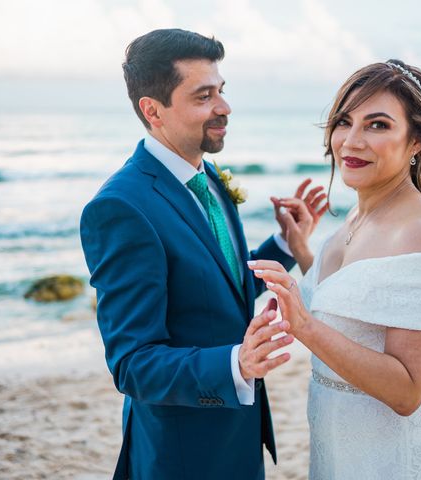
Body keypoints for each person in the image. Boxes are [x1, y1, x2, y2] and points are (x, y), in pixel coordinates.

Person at [79, 29, 326, 479]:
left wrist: (286, 245)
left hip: (237, 434)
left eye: (222, 91)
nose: (224, 108)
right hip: (183, 454)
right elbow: (133, 364)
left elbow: (218, 287)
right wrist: (237, 363)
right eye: (203, 96)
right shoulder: (121, 208)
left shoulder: (207, 175)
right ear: (152, 110)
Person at [248, 60, 421, 478]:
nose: (352, 141)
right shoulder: (358, 214)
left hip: (388, 456)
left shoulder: (418, 232)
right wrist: (304, 251)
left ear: (416, 141)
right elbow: (356, 305)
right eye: (344, 122)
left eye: (378, 125)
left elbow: (408, 391)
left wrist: (305, 326)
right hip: (337, 445)